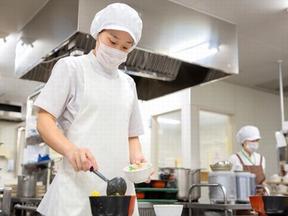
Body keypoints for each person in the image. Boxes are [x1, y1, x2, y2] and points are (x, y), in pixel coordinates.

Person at [34, 3, 145, 216]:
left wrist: (138, 157)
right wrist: (71, 150)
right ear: (97, 32)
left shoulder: (128, 84)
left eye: (125, 47)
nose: (116, 50)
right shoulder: (72, 68)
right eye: (112, 41)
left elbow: (132, 136)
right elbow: (44, 119)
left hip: (121, 196)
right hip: (77, 192)